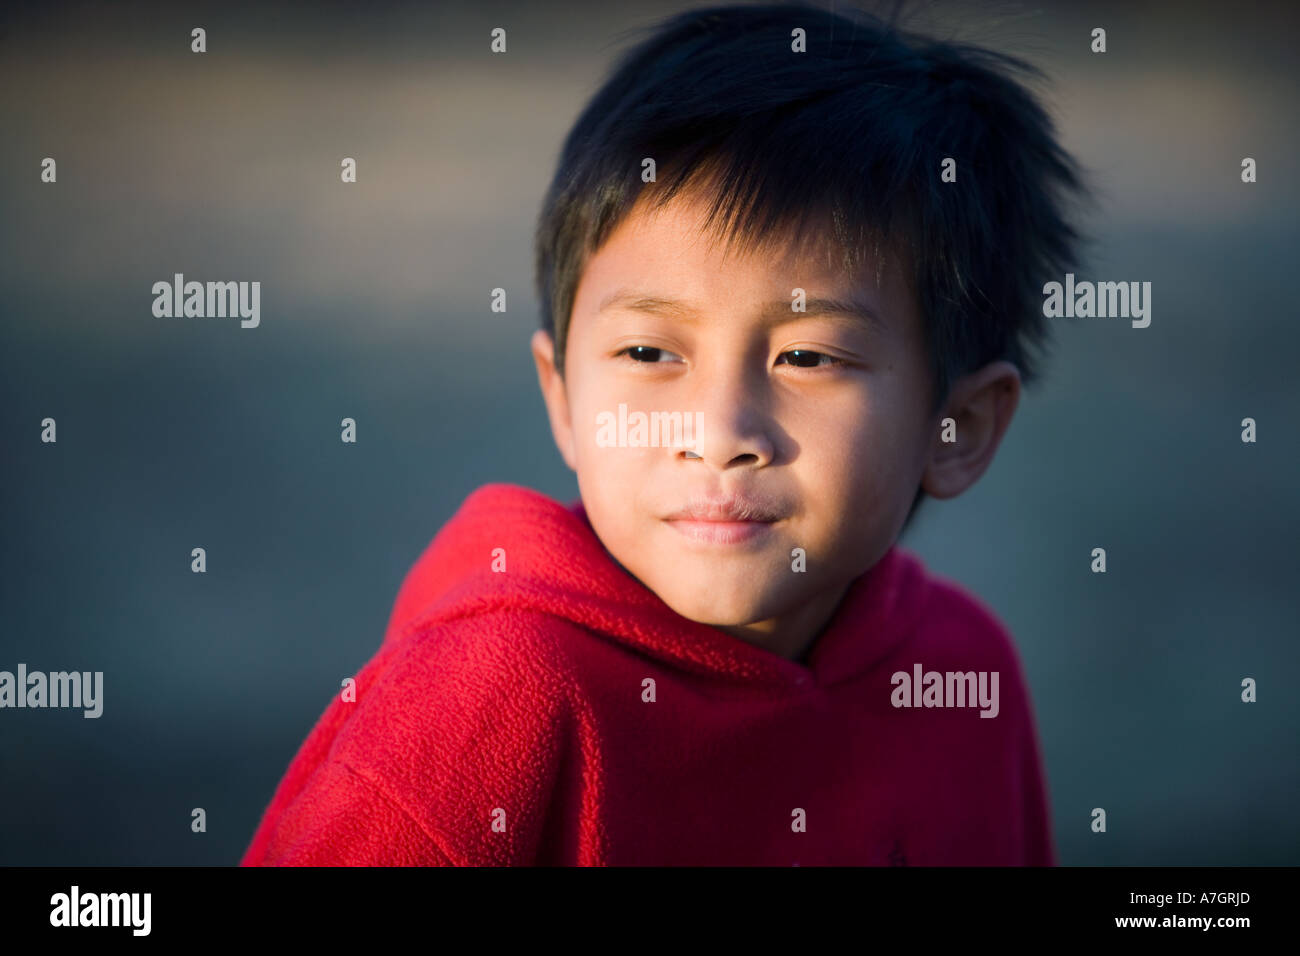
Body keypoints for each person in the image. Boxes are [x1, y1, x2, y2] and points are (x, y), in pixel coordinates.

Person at [242, 1, 1092, 866]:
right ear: (564, 396)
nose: (718, 431)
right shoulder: (489, 698)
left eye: (808, 357)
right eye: (650, 350)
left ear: (958, 427)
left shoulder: (958, 674)